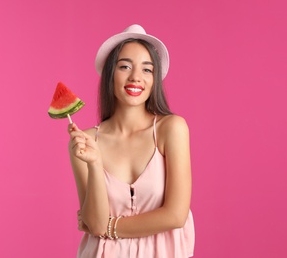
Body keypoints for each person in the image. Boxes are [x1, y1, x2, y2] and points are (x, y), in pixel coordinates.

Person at [68, 24, 195, 258]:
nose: (136, 77)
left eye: (147, 70)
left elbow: (176, 215)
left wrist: (108, 227)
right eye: (125, 66)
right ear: (110, 73)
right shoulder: (85, 140)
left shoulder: (171, 129)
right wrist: (95, 164)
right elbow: (94, 222)